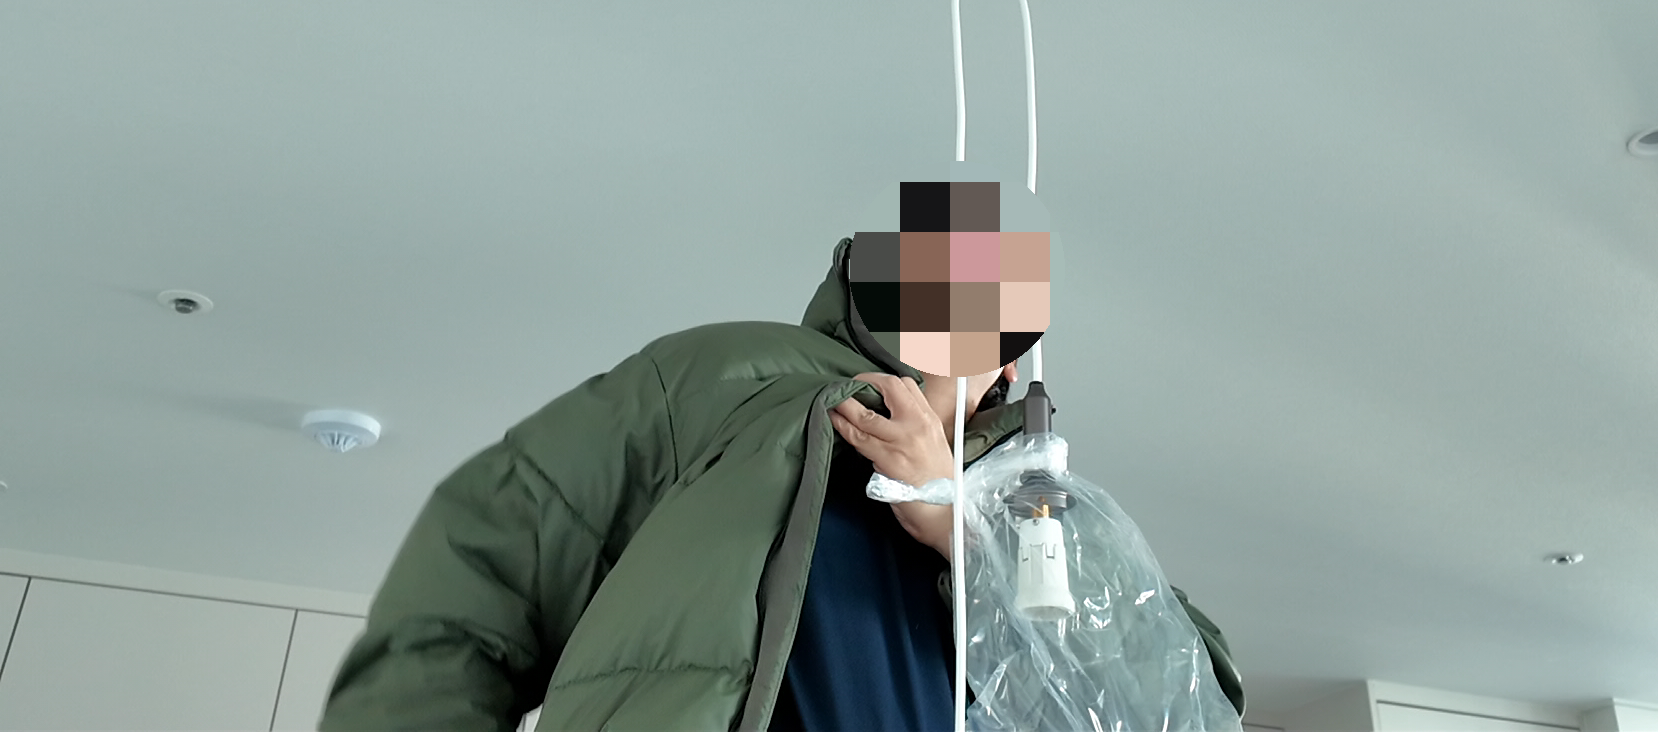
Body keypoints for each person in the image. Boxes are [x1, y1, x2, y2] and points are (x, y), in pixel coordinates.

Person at [319, 237, 1243, 731]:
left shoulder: (1039, 512)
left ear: (1010, 375)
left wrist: (967, 529)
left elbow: (1188, 701)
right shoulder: (724, 379)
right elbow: (480, 573)